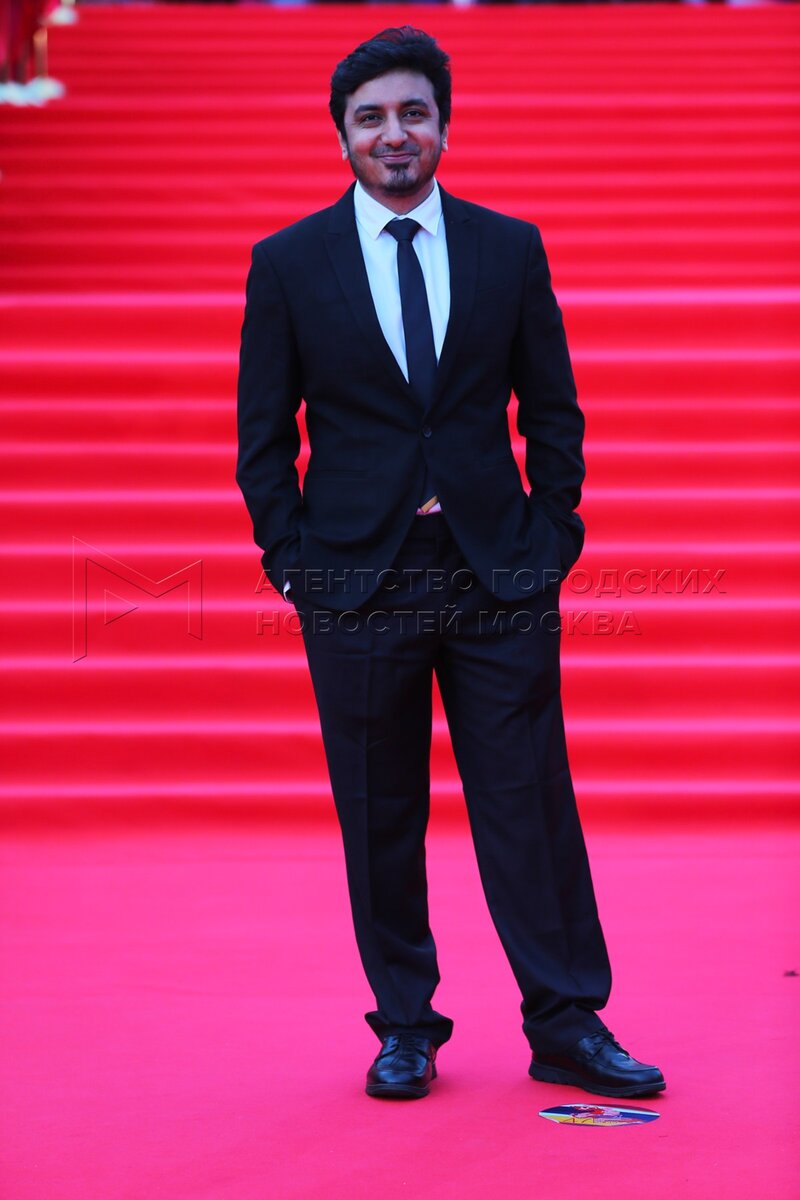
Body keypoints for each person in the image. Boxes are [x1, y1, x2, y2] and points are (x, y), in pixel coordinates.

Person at [236, 25, 665, 1102]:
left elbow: (553, 409)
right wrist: (293, 565)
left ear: (442, 126)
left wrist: (551, 536)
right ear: (342, 135)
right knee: (377, 809)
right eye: (371, 117)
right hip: (356, 580)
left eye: (413, 114)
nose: (394, 134)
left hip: (495, 571)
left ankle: (566, 1020)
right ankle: (405, 1026)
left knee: (529, 802)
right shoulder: (289, 263)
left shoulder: (505, 249)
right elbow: (263, 437)